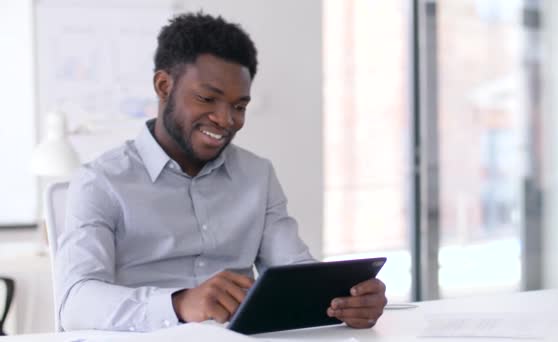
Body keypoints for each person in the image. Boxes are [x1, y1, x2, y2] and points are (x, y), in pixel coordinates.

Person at [56, 11, 387, 332]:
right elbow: (75, 302)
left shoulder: (258, 176)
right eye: (207, 99)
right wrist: (180, 304)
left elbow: (294, 269)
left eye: (239, 106)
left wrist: (345, 298)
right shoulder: (100, 182)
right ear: (163, 86)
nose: (226, 119)